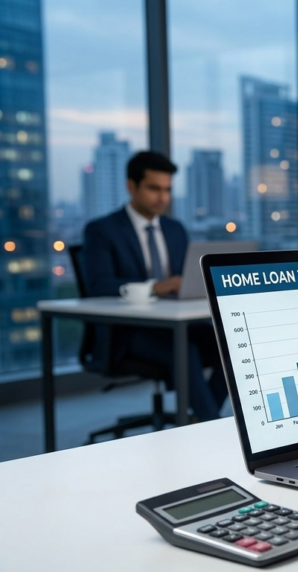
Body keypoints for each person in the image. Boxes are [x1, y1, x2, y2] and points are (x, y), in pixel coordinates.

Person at [82, 151, 228, 422]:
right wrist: (155, 288)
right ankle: (211, 424)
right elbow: (99, 285)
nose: (162, 197)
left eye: (167, 190)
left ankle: (202, 420)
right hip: (128, 332)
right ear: (131, 186)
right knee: (185, 349)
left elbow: (186, 277)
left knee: (228, 343)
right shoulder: (103, 230)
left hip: (177, 324)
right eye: (154, 189)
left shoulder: (175, 229)